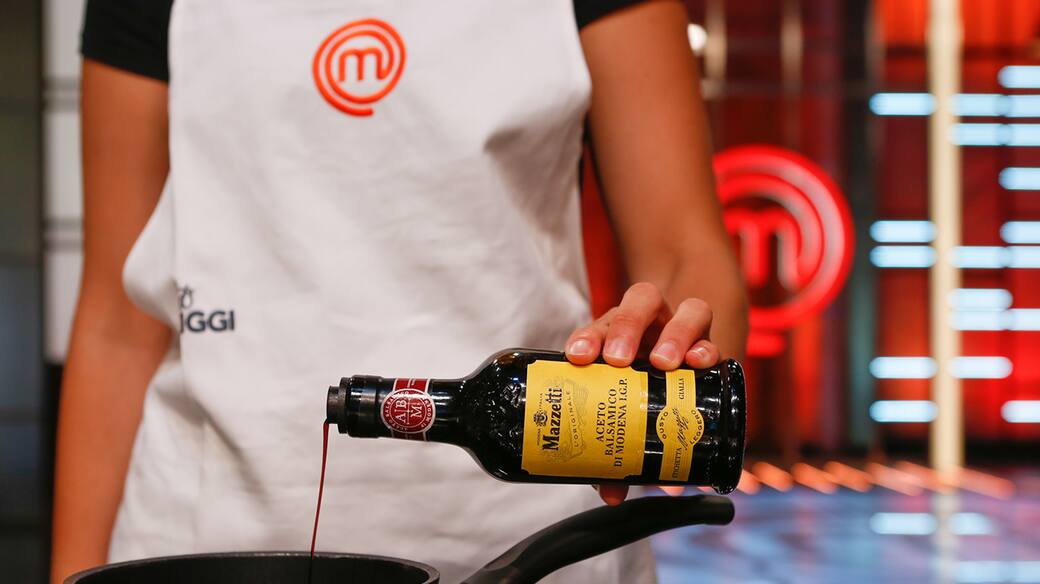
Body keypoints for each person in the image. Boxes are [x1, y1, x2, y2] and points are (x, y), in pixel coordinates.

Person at [51, 0, 748, 582]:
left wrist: (672, 358)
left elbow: (682, 250)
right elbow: (119, 324)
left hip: (533, 538)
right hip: (205, 541)